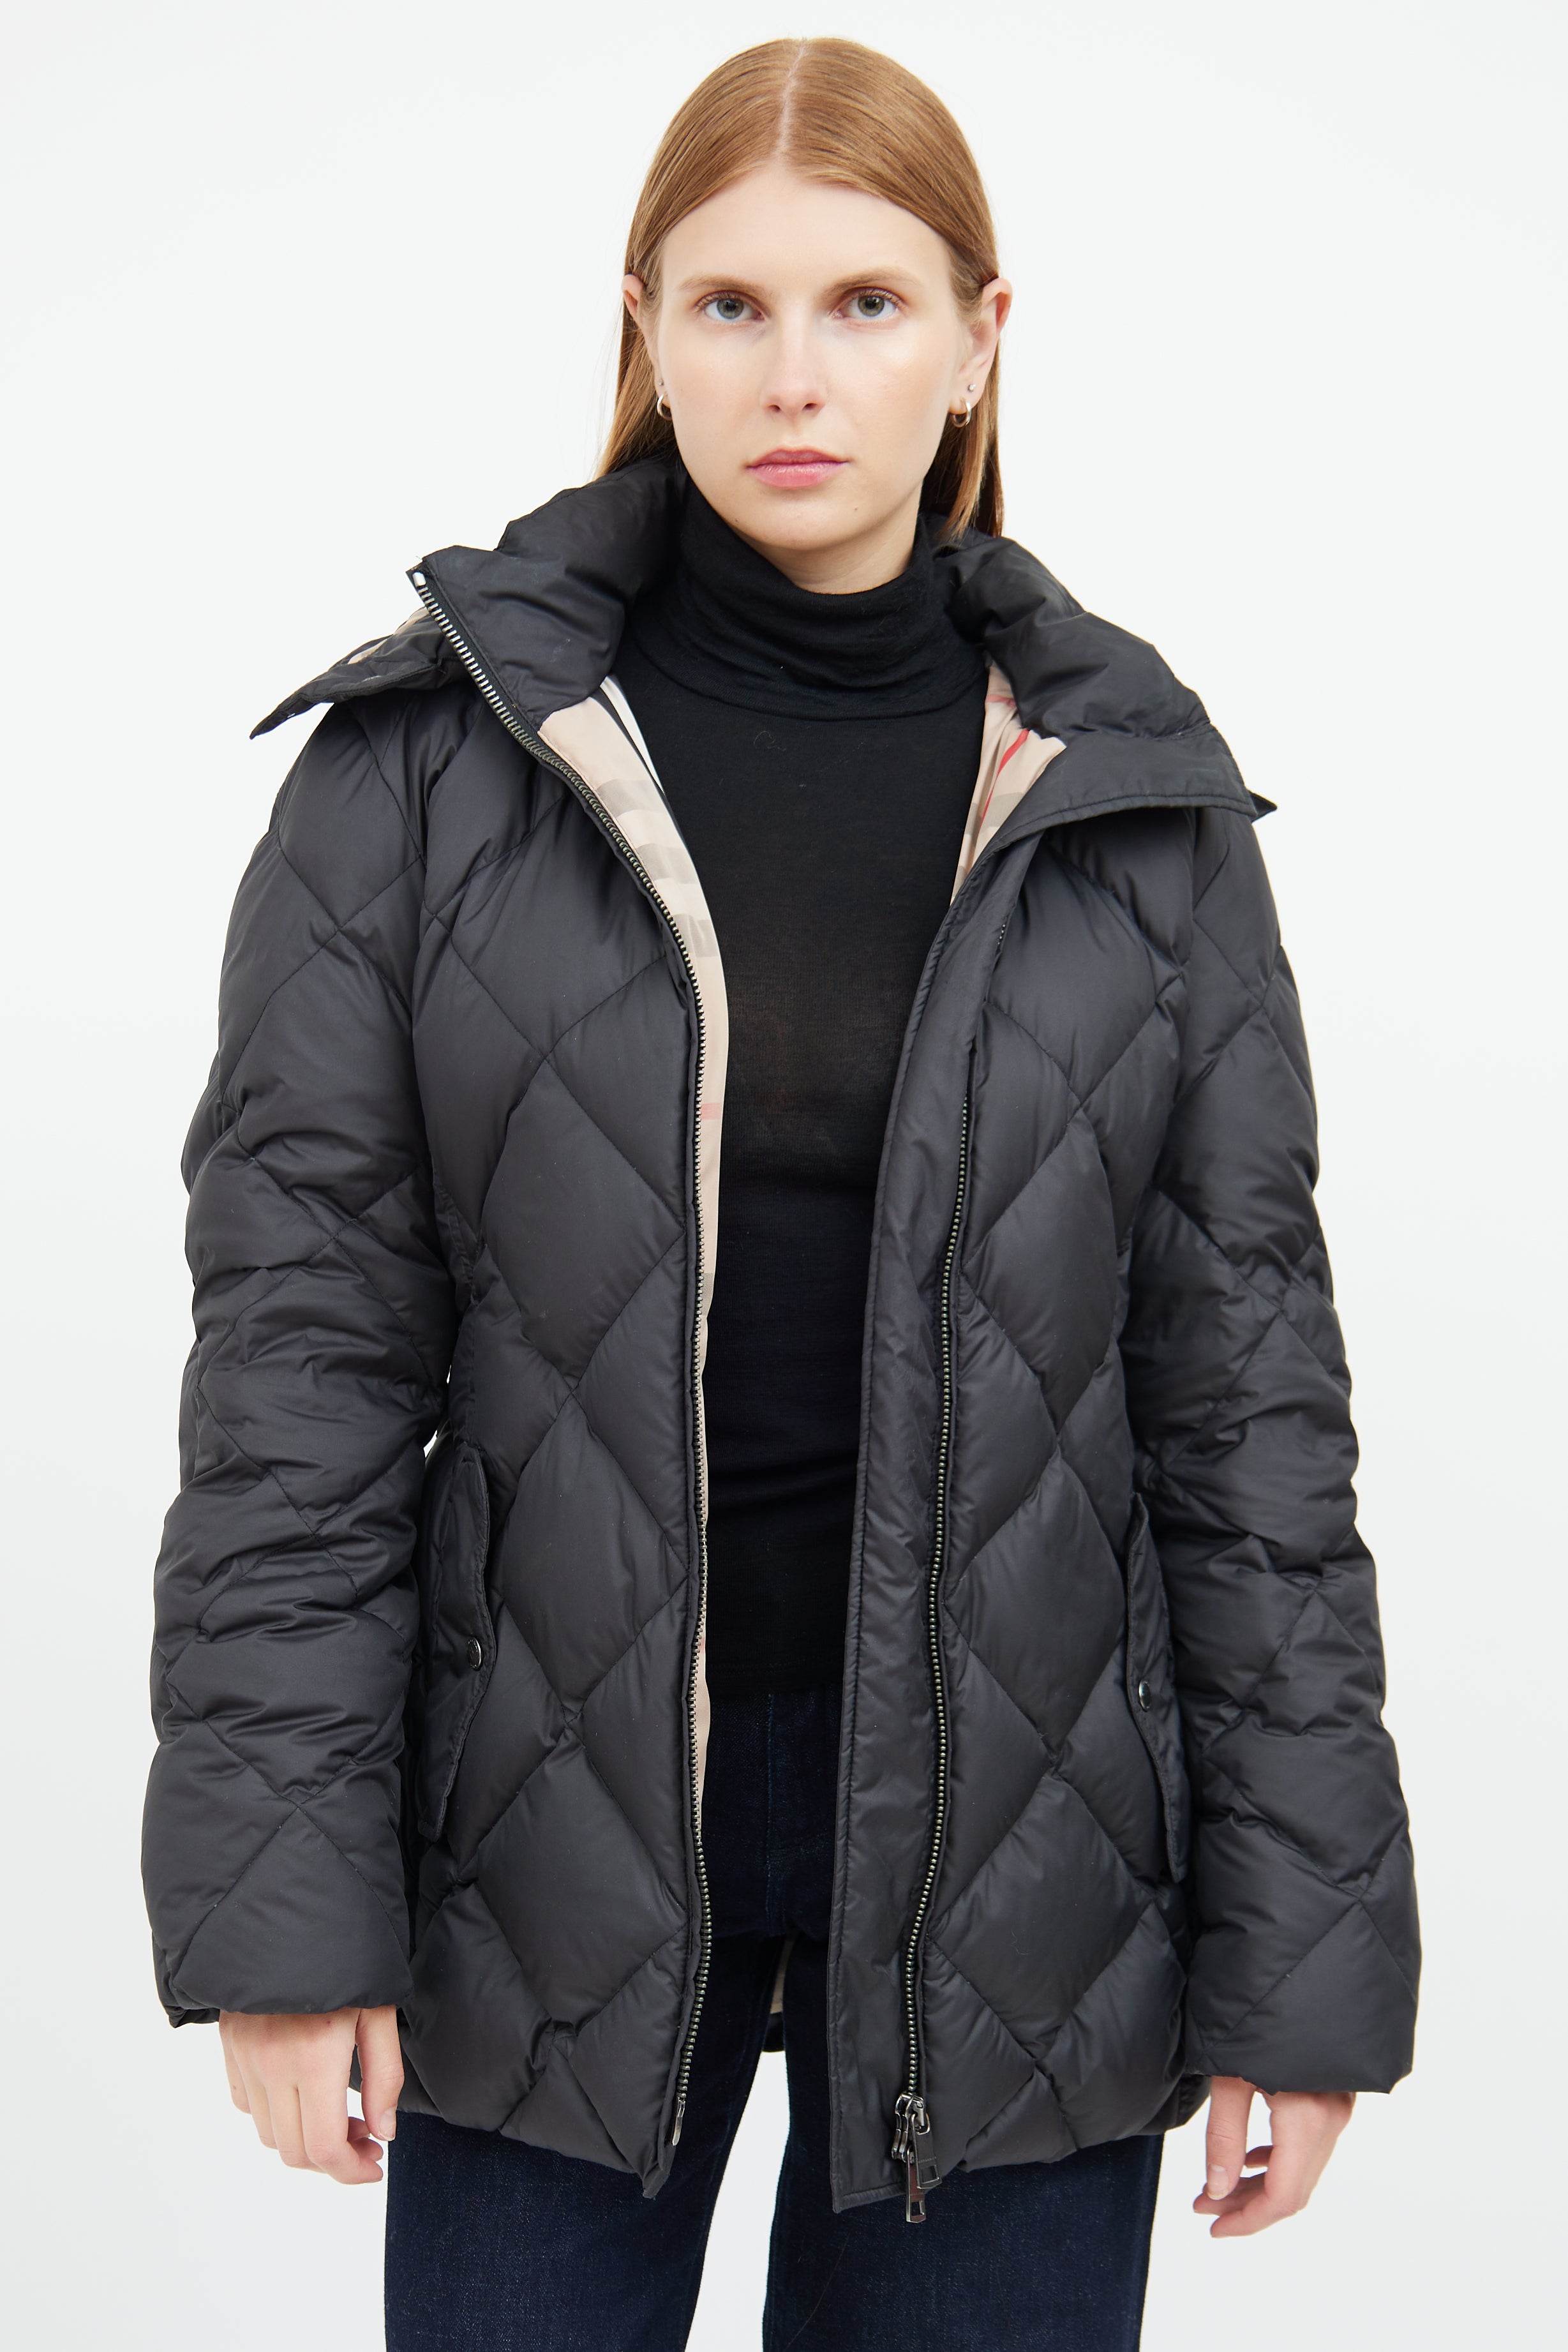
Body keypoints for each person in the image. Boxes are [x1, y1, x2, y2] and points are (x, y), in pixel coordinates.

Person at [142, 35, 1419, 2351]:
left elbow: (1246, 1427)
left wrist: (1299, 1966)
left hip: (1020, 1878)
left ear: (979, 338)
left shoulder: (1133, 810)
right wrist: (285, 1920)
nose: (793, 375)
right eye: (728, 305)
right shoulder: (423, 777)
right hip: (536, 1851)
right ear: (642, 325)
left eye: (865, 304)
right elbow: (297, 1388)